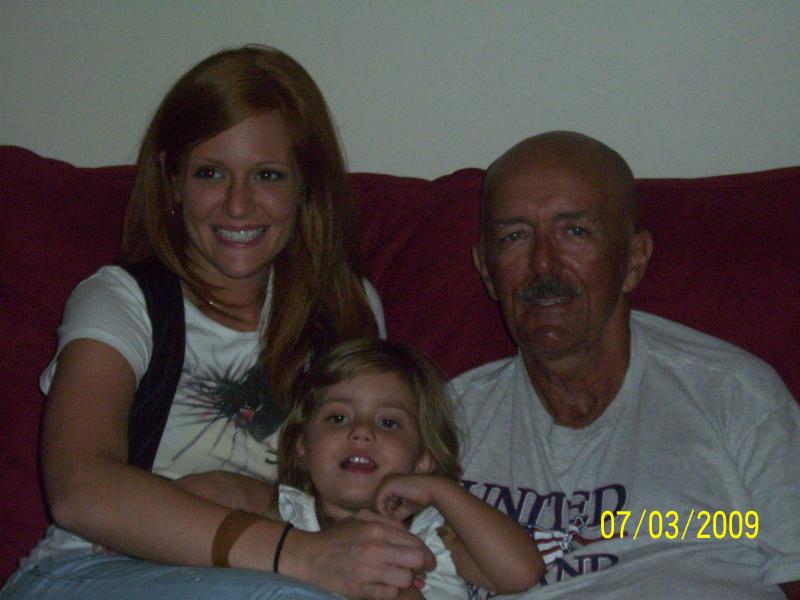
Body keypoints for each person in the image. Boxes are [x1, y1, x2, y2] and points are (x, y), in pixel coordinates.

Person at [1, 45, 435, 600]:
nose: (237, 206)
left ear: (305, 187)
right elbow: (80, 489)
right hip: (87, 571)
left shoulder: (347, 309)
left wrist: (249, 497)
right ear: (172, 179)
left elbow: (362, 485)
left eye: (268, 176)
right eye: (211, 173)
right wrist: (291, 550)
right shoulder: (122, 301)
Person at [452, 131, 800, 599]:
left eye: (575, 231)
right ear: (485, 269)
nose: (542, 264)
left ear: (634, 259)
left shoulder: (732, 394)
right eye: (514, 237)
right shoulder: (444, 419)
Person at [270, 337, 544, 598]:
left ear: (422, 458)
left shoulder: (434, 536)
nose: (361, 431)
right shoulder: (286, 516)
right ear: (302, 445)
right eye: (338, 417)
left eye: (388, 423)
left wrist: (439, 490)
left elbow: (522, 573)